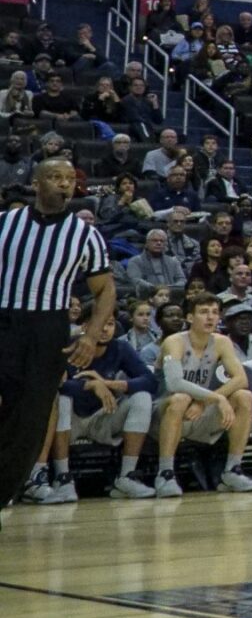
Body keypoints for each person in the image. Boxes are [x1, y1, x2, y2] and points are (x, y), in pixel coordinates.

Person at [0, 157, 116, 533]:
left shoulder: (84, 235)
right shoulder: (6, 223)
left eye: (69, 179)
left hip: (48, 328)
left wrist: (90, 333)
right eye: (55, 177)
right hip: (3, 318)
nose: (64, 184)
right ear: (36, 183)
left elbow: (105, 291)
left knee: (30, 420)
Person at [33, 307, 158, 503]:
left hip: (103, 417)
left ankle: (126, 476)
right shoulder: (67, 347)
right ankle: (62, 477)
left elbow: (151, 381)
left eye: (109, 324)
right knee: (61, 400)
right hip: (70, 420)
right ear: (84, 326)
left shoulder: (120, 348)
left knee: (142, 397)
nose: (105, 329)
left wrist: (109, 384)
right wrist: (90, 385)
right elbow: (55, 386)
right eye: (100, 324)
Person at [150, 297, 252, 497]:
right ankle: (165, 474)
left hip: (197, 412)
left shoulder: (222, 341)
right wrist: (217, 398)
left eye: (214, 312)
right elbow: (174, 384)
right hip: (162, 413)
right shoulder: (174, 342)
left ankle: (232, 471)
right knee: (180, 398)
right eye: (204, 312)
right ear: (190, 317)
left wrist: (204, 401)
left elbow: (241, 379)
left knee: (245, 396)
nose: (210, 317)